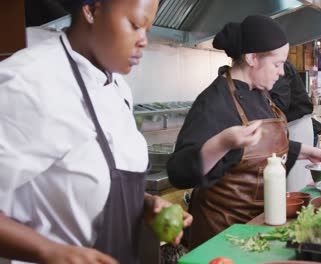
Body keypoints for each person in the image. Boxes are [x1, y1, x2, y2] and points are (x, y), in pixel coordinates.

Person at [0, 1, 192, 264]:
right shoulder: (29, 83)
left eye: (147, 29)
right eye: (135, 26)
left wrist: (145, 203)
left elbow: (89, 180)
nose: (143, 41)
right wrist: (50, 251)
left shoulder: (117, 86)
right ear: (91, 10)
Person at [167, 15, 321, 249]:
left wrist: (305, 152)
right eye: (277, 64)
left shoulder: (261, 94)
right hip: (222, 236)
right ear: (252, 58)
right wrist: (223, 143)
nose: (281, 73)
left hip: (257, 228)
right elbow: (178, 173)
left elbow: (259, 148)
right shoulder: (214, 102)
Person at [269, 61, 321, 191]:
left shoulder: (278, 65)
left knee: (296, 185)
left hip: (295, 126)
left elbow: (279, 104)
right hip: (282, 127)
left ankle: (302, 210)